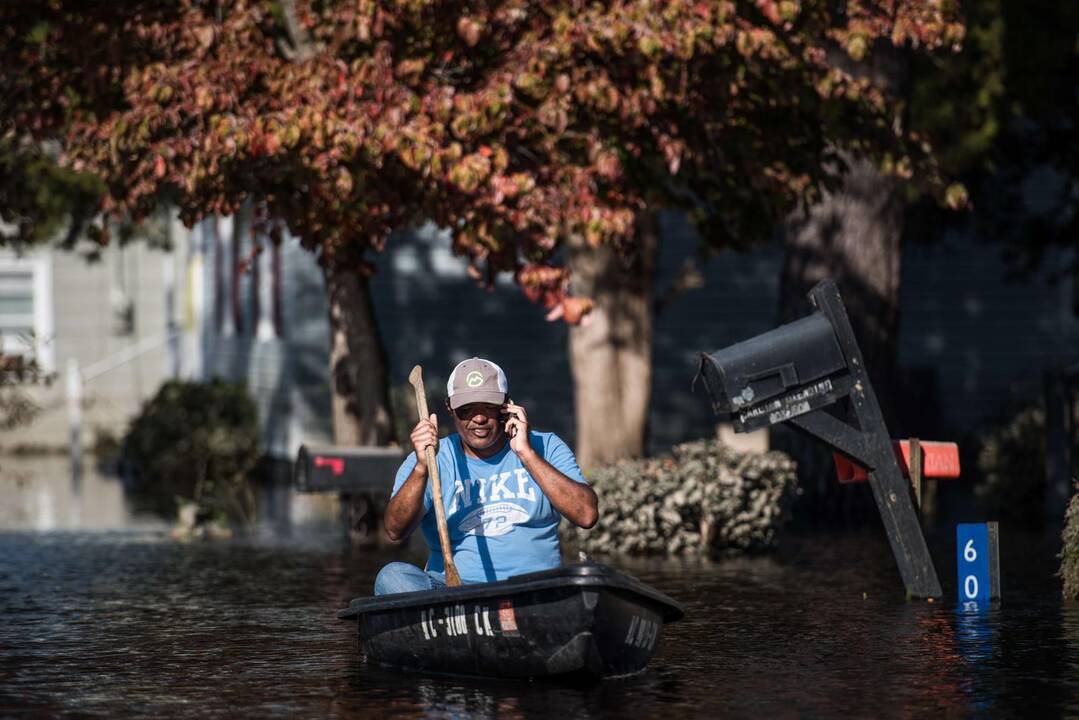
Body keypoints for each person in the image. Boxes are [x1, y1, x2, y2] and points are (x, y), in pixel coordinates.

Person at [374, 357, 598, 595]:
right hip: (454, 593)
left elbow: (586, 515)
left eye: (488, 407)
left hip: (536, 590)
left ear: (507, 407)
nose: (478, 418)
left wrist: (526, 454)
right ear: (450, 410)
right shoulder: (431, 458)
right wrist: (421, 468)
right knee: (392, 577)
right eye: (466, 410)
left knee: (589, 578)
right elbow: (394, 530)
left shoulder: (546, 446)